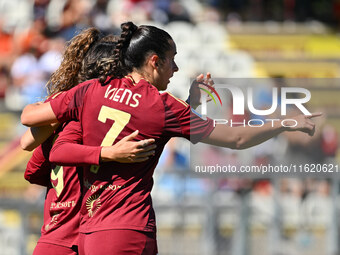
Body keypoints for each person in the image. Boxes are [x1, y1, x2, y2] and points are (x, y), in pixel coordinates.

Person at [21, 22, 320, 254]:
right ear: (154, 61)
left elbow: (32, 131)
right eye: (171, 60)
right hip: (128, 229)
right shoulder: (162, 106)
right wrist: (284, 122)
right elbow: (237, 138)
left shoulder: (90, 91)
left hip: (88, 233)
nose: (175, 69)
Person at [22, 28, 156, 255]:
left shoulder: (65, 111)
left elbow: (33, 168)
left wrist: (59, 115)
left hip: (52, 238)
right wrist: (106, 154)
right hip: (85, 238)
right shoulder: (100, 118)